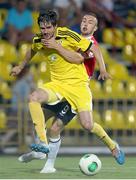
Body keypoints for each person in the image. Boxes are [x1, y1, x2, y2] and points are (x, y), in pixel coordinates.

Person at [11, 11, 125, 173]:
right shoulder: (47, 38)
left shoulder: (73, 37)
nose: (45, 31)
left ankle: (113, 146)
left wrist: (103, 69)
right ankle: (42, 149)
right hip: (58, 85)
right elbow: (33, 48)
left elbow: (81, 57)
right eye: (42, 28)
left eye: (49, 27)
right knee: (36, 106)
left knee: (85, 125)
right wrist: (21, 66)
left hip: (78, 87)